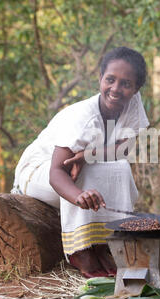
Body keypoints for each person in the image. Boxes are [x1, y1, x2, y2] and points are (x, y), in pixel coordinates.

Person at [11, 47, 149, 278]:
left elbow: (124, 148)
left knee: (121, 167)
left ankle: (105, 243)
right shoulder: (83, 118)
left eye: (126, 84)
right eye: (110, 80)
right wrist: (78, 196)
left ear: (136, 89)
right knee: (87, 173)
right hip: (37, 172)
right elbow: (57, 172)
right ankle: (80, 249)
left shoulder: (133, 104)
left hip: (69, 170)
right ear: (100, 79)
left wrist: (88, 155)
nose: (116, 89)